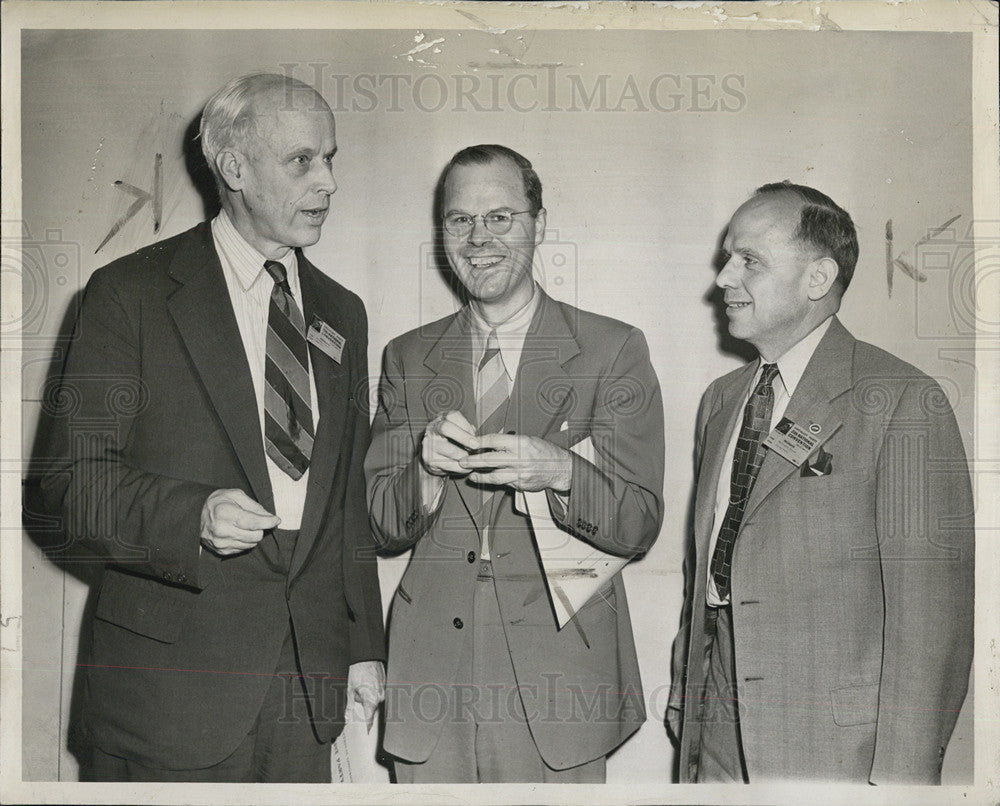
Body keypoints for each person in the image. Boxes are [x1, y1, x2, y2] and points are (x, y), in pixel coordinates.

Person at [39, 73, 384, 782]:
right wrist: (189, 516)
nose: (328, 181)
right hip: (168, 697)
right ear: (233, 167)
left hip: (304, 697)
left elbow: (343, 498)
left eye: (331, 158)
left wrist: (361, 644)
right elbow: (70, 486)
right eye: (302, 161)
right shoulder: (126, 294)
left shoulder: (342, 312)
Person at [365, 144, 665, 783]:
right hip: (431, 682)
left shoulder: (611, 349)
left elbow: (638, 524)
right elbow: (379, 528)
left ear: (539, 224)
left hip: (561, 689)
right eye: (459, 222)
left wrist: (561, 472)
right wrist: (422, 471)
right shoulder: (406, 357)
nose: (479, 240)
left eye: (500, 218)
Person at [667, 182, 974, 784]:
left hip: (834, 749)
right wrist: (689, 698)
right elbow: (703, 567)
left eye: (749, 261)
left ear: (817, 278)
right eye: (729, 258)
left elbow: (932, 622)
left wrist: (903, 783)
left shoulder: (904, 402)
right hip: (715, 726)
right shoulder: (722, 401)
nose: (724, 279)